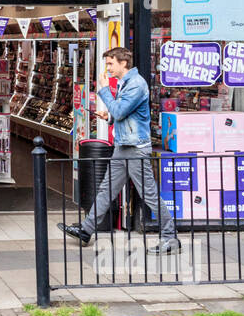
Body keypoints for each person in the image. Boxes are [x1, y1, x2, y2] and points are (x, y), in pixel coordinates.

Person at [62, 47, 179, 255]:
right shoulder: (127, 82)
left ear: (123, 63)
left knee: (149, 194)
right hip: (124, 145)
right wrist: (108, 116)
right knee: (106, 190)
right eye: (107, 64)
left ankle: (170, 238)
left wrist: (105, 91)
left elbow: (121, 109)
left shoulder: (136, 84)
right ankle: (86, 230)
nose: (108, 68)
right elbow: (124, 114)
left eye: (110, 63)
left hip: (135, 149)